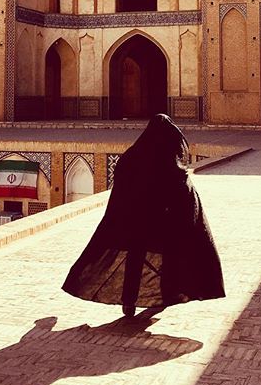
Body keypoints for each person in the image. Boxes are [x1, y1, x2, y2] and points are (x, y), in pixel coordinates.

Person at [62, 113, 225, 317]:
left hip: (136, 224)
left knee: (135, 259)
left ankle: (129, 302)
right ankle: (166, 295)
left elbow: (120, 182)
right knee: (167, 257)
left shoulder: (132, 158)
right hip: (160, 225)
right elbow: (185, 193)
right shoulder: (170, 164)